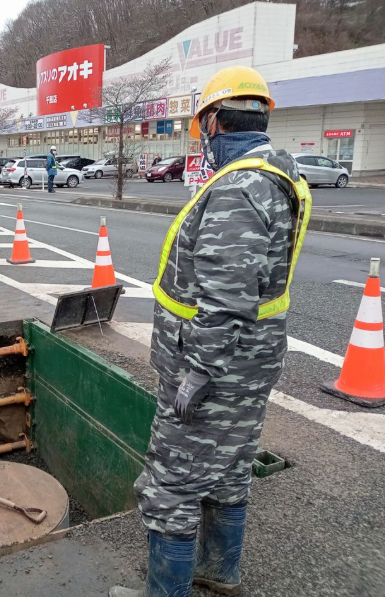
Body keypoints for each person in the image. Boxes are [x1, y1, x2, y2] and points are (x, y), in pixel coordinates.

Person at [110, 66, 311, 597]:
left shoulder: (237, 189)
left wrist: (198, 371)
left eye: (202, 127)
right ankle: (219, 574)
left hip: (213, 370)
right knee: (229, 468)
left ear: (214, 123)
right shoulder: (279, 173)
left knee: (170, 487)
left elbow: (225, 299)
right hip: (250, 363)